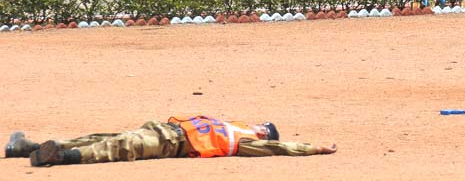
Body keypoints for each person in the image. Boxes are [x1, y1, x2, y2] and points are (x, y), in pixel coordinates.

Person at [5, 115, 336, 167]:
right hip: (160, 130)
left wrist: (315, 147)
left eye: (266, 130)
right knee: (101, 137)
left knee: (118, 149)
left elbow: (280, 148)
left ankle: (62, 158)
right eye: (263, 125)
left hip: (171, 144)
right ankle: (26, 148)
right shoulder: (232, 125)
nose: (261, 129)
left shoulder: (245, 142)